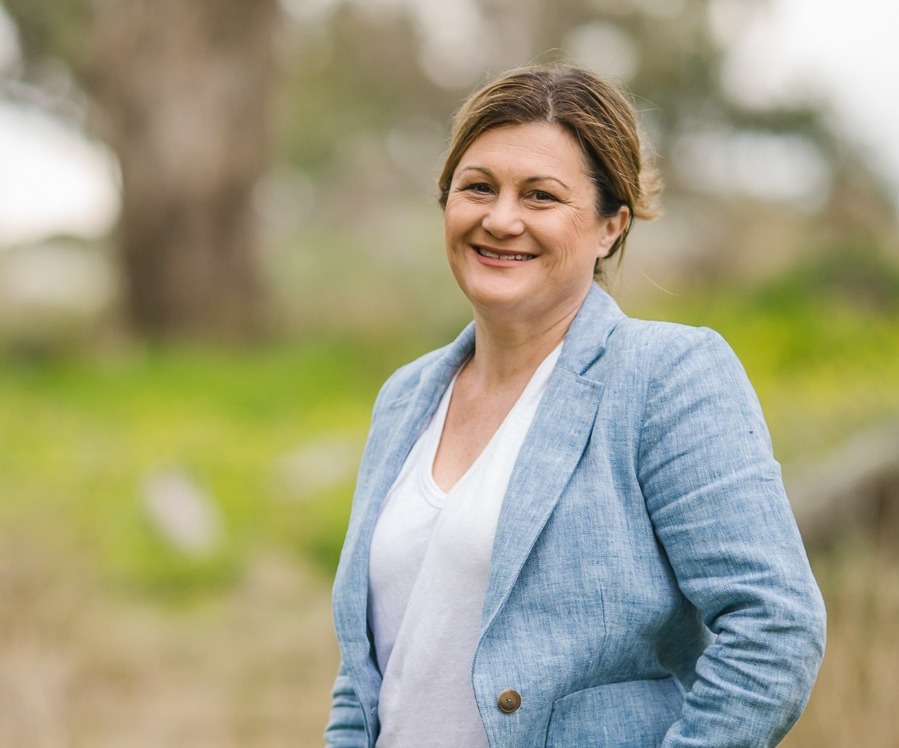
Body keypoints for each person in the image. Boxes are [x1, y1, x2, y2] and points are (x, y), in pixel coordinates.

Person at [325, 64, 826, 748]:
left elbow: (775, 627)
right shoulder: (405, 398)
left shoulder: (664, 377)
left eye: (540, 196)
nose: (500, 219)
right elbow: (365, 680)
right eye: (477, 188)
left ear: (609, 226)